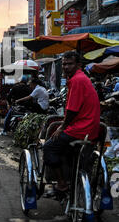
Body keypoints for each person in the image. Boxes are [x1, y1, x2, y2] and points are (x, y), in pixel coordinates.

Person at [43, 51, 101, 192]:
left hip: (81, 129)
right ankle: (71, 177)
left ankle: (62, 183)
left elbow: (72, 111)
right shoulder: (81, 78)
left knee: (49, 147)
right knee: (65, 149)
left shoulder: (77, 80)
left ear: (78, 65)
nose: (66, 67)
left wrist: (62, 127)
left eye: (70, 64)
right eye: (64, 64)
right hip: (90, 129)